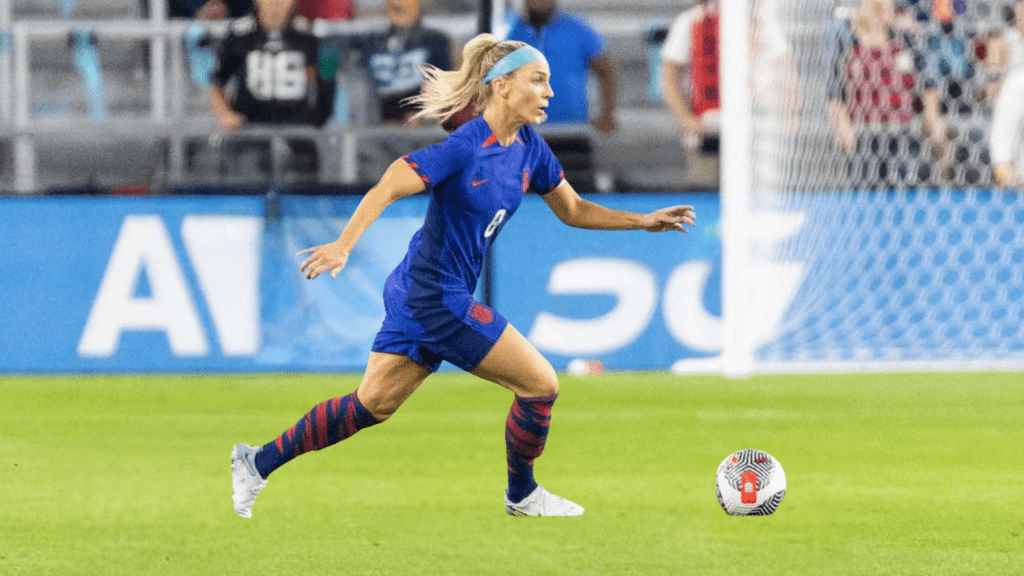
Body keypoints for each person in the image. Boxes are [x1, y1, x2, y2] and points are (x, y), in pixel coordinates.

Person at [230, 33, 696, 518]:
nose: (549, 92)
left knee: (371, 407)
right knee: (540, 385)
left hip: (420, 291)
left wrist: (642, 221)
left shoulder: (530, 149)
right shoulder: (466, 145)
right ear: (501, 86)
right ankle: (522, 494)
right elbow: (392, 181)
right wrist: (344, 244)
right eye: (538, 80)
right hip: (434, 296)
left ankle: (256, 462)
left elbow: (574, 209)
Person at [208, 0, 334, 178]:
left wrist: (317, 119)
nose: (275, 4)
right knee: (247, 194)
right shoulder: (239, 34)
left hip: (297, 134)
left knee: (303, 195)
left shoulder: (310, 34)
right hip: (251, 134)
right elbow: (216, 82)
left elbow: (328, 78)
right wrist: (225, 114)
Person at [503, 0, 618, 192]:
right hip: (519, 137)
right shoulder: (503, 29)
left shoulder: (578, 29)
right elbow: (475, 72)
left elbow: (606, 71)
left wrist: (607, 113)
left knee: (577, 205)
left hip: (570, 135)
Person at [825, 0, 927, 190]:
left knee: (907, 186)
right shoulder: (846, 39)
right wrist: (841, 123)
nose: (879, 6)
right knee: (866, 186)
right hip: (864, 133)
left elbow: (928, 80)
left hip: (902, 131)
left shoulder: (905, 38)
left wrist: (931, 114)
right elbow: (834, 90)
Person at [354, 0, 453, 124]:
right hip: (380, 116)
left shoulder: (435, 41)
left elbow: (441, 86)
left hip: (418, 118)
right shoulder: (370, 41)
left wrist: (423, 115)